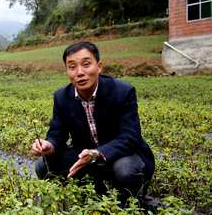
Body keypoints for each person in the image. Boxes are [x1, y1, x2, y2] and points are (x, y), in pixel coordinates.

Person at [31, 41, 155, 204]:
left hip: (121, 155)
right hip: (86, 156)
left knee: (125, 170)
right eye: (72, 66)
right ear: (67, 71)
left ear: (99, 66)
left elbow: (130, 137)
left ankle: (131, 201)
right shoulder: (62, 97)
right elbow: (57, 133)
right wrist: (49, 145)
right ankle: (94, 193)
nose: (80, 72)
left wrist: (98, 153)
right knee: (43, 165)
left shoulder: (123, 92)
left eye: (86, 64)